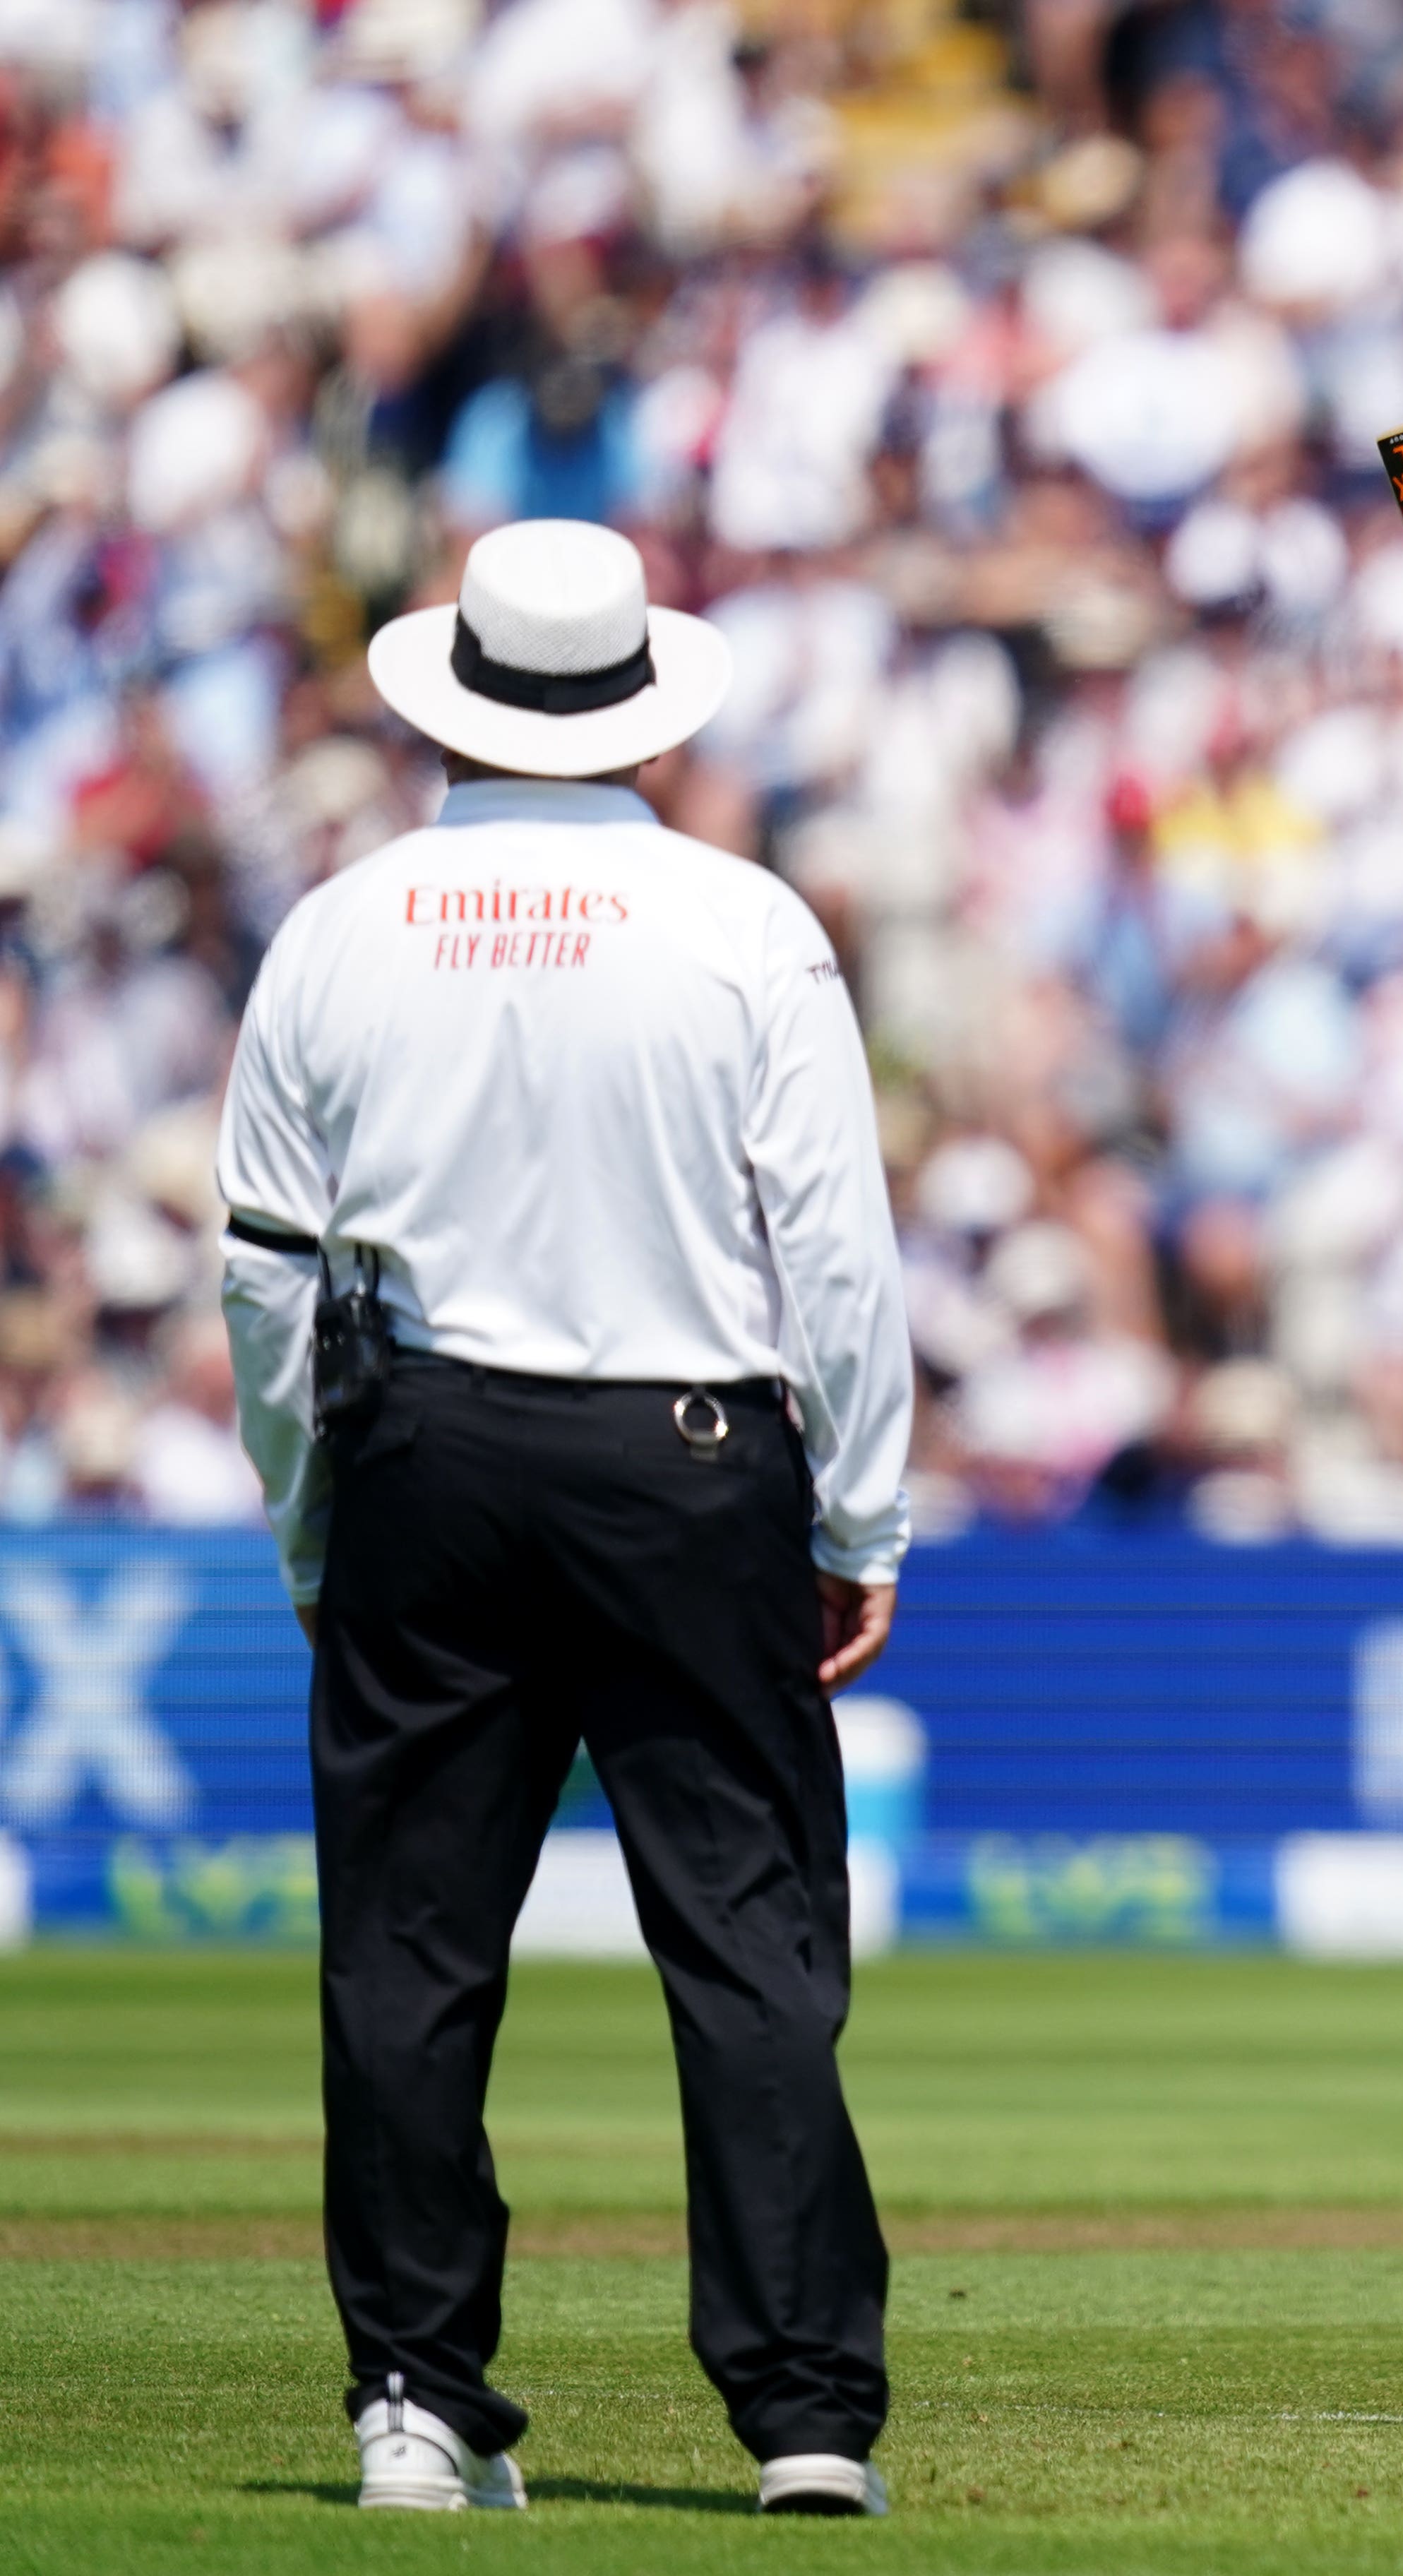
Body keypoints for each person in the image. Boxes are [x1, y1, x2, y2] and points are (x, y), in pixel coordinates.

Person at [215, 520, 916, 2516]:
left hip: (427, 1454)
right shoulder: (741, 919)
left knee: (407, 1953)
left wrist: (312, 1518)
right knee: (751, 1946)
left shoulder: (343, 925)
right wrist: (863, 1510)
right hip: (694, 1463)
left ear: (460, 696)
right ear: (638, 706)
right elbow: (838, 1259)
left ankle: (417, 2405)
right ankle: (803, 2419)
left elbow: (265, 1269)